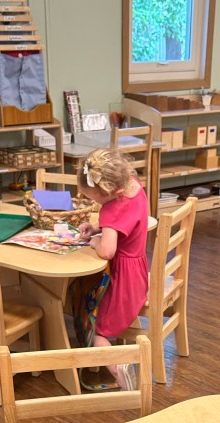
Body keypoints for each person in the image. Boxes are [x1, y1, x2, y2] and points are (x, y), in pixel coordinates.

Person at [77, 147, 149, 390]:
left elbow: (107, 251)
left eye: (96, 199)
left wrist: (96, 240)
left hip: (122, 281)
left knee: (95, 330)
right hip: (137, 274)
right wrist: (99, 227)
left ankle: (120, 371)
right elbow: (124, 222)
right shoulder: (134, 186)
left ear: (112, 193)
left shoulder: (112, 208)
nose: (96, 204)